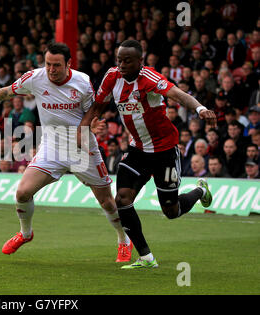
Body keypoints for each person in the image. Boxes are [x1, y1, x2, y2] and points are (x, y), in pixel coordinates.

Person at [0, 41, 132, 262]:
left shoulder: (82, 82)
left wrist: (89, 126)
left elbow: (93, 111)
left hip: (82, 148)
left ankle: (123, 240)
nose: (51, 69)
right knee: (22, 192)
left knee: (107, 201)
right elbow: (9, 91)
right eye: (48, 64)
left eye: (57, 65)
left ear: (68, 63)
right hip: (52, 147)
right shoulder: (35, 77)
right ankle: (25, 233)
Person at [79, 40, 216, 269]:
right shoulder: (112, 77)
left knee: (171, 211)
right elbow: (96, 108)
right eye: (119, 59)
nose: (121, 64)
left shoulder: (150, 78)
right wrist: (81, 132)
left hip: (165, 151)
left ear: (140, 61)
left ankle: (201, 190)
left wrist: (200, 109)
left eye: (127, 60)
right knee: (122, 198)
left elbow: (177, 94)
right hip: (138, 150)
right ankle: (146, 257)